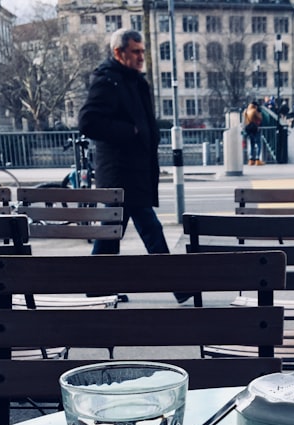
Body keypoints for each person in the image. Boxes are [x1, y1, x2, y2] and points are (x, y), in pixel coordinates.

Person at [78, 29, 191, 304]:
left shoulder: (132, 80)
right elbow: (87, 122)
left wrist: (149, 133)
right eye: (136, 51)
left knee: (111, 233)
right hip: (121, 172)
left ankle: (96, 286)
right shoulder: (108, 80)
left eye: (142, 51)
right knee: (149, 230)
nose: (142, 57)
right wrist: (132, 132)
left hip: (134, 171)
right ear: (119, 52)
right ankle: (180, 287)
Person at [243, 101, 263, 166]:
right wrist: (259, 112)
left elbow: (245, 121)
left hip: (248, 129)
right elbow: (260, 118)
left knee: (251, 144)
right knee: (258, 144)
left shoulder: (246, 111)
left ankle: (251, 160)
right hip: (255, 129)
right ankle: (257, 160)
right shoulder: (254, 111)